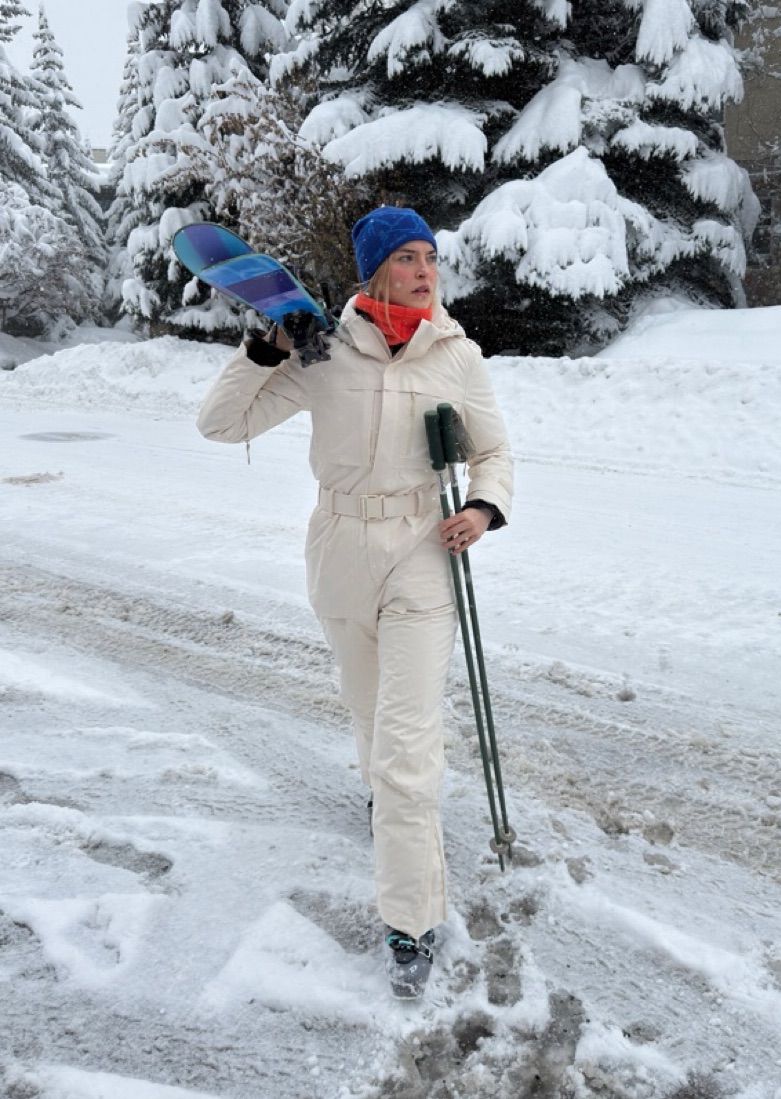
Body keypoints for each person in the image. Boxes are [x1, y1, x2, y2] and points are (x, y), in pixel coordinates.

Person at [196, 206, 513, 998]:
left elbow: (493, 449)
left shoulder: (456, 353)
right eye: (406, 258)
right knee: (370, 715)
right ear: (374, 270)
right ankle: (389, 802)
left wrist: (482, 506)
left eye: (430, 257)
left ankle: (411, 918)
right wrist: (264, 349)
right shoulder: (322, 349)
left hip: (420, 551)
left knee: (406, 747)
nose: (424, 271)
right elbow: (220, 423)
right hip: (339, 547)